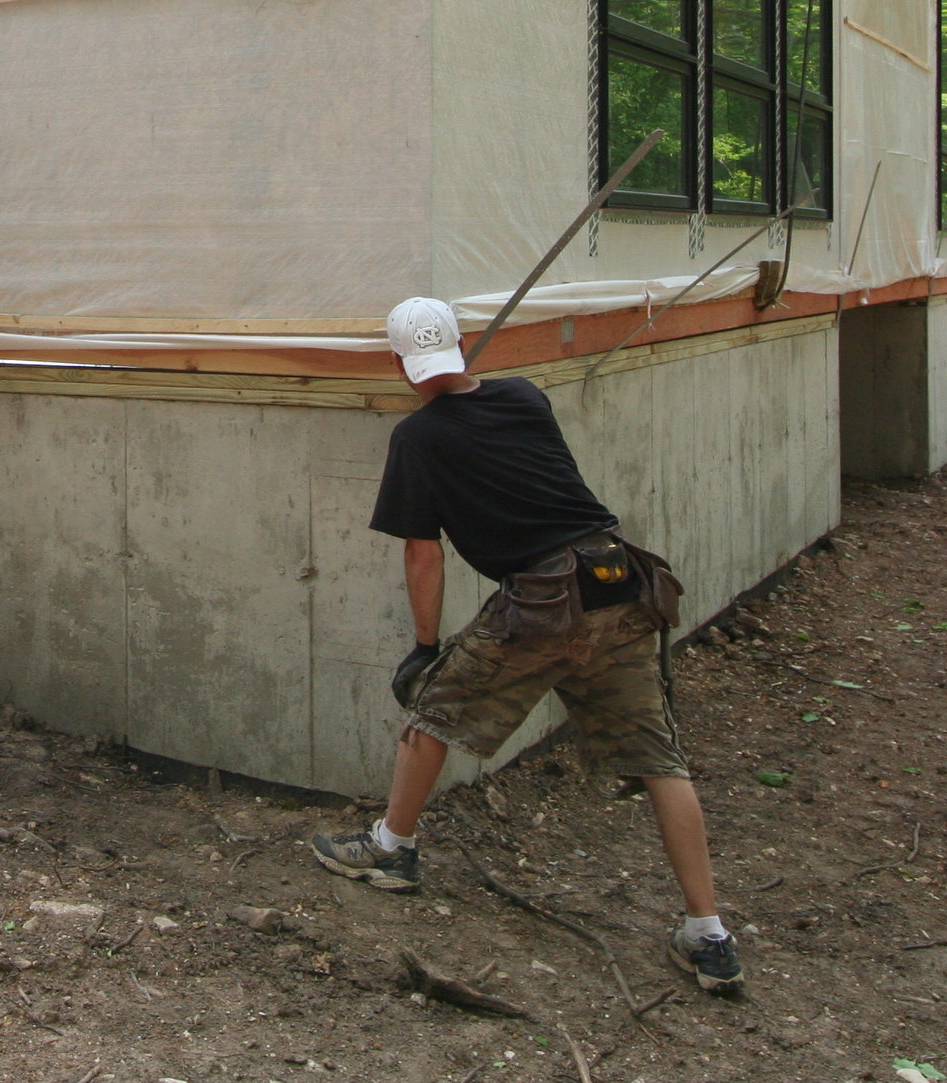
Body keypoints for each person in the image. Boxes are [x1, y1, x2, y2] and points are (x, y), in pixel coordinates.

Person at [308, 297, 744, 998]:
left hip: (543, 600)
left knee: (432, 707)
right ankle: (708, 931)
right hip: (620, 581)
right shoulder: (525, 395)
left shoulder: (417, 438)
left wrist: (426, 647)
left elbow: (424, 554)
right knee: (661, 758)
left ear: (399, 363)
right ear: (464, 345)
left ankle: (391, 849)